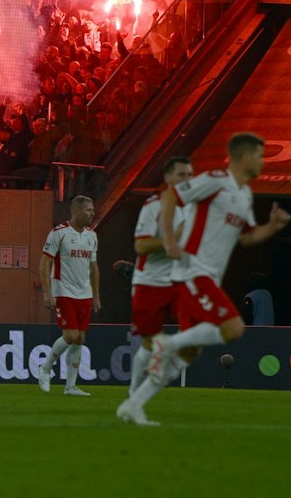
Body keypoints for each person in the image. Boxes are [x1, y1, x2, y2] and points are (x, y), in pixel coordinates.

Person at [120, 132, 291, 427]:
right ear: (244, 157)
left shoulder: (243, 195)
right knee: (233, 328)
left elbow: (248, 237)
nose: (262, 161)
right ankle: (164, 348)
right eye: (259, 155)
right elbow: (173, 196)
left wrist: (271, 227)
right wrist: (172, 241)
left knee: (189, 353)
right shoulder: (214, 181)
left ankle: (134, 404)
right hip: (192, 273)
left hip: (201, 276)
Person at [127, 156, 192, 404]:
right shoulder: (153, 206)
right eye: (181, 175)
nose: (186, 180)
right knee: (149, 341)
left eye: (189, 175)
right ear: (167, 178)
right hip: (150, 280)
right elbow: (141, 245)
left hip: (177, 280)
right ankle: (134, 391)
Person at [35, 194, 100, 397]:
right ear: (77, 211)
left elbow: (93, 267)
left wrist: (96, 294)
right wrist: (47, 291)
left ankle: (70, 387)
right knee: (70, 335)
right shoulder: (59, 233)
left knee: (79, 338)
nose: (92, 213)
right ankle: (45, 369)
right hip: (64, 291)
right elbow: (44, 263)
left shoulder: (92, 236)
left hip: (85, 293)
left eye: (92, 210)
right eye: (89, 210)